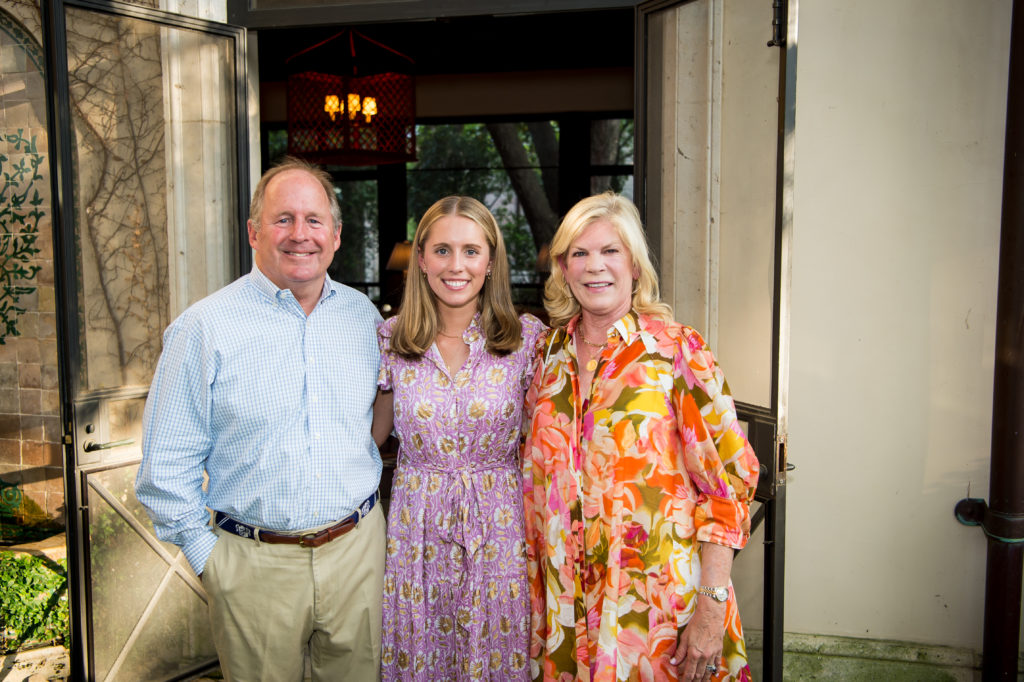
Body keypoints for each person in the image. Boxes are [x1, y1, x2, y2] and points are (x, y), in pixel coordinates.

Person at [135, 157, 387, 681]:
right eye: (283, 219)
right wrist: (215, 563)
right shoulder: (203, 328)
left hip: (357, 556)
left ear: (337, 236)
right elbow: (165, 467)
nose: (301, 235)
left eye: (315, 220)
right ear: (253, 232)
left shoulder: (363, 317)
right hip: (253, 565)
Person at [521, 192, 759, 682]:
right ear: (563, 268)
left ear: (634, 264)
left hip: (659, 613)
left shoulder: (676, 353)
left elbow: (728, 486)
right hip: (568, 613)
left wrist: (711, 608)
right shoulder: (545, 358)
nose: (595, 267)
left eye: (610, 251)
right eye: (579, 254)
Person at [373, 196, 547, 681]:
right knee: (421, 655)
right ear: (422, 260)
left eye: (471, 251)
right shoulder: (391, 340)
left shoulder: (527, 340)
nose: (457, 265)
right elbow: (371, 437)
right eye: (443, 250)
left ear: (490, 262)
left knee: (495, 654)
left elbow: (553, 436)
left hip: (500, 528)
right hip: (416, 530)